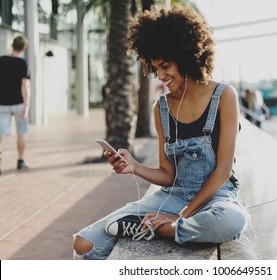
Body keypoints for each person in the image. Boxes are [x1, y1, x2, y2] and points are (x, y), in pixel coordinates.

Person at [73, 4, 250, 260]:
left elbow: (223, 171)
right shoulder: (162, 108)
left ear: (187, 56)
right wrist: (134, 166)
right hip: (173, 195)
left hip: (217, 196)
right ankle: (155, 227)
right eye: (155, 68)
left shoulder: (224, 95)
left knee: (233, 221)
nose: (160, 75)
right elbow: (168, 174)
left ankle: (164, 230)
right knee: (84, 244)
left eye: (166, 66)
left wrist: (180, 217)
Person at [0, 34, 30, 175]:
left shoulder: (1, 61)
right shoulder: (23, 63)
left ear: (12, 45)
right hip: (18, 103)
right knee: (21, 132)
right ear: (23, 48)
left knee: (0, 135)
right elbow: (25, 87)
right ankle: (20, 161)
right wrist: (27, 105)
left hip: (2, 103)